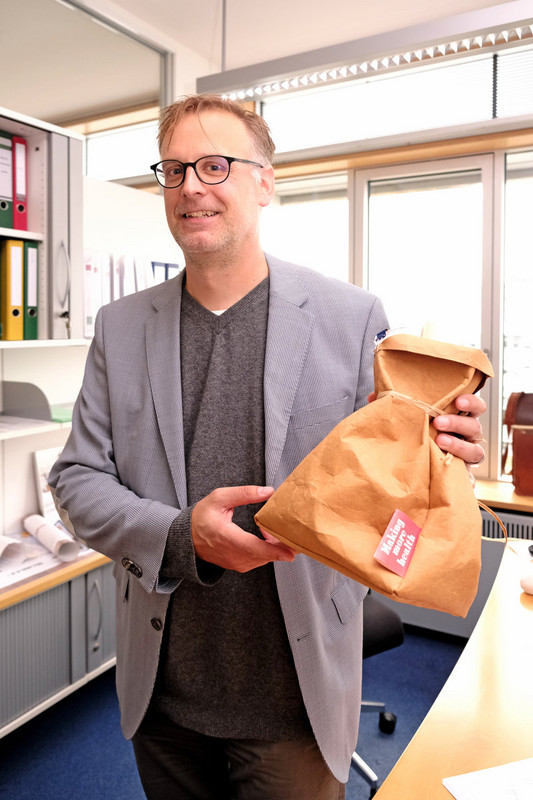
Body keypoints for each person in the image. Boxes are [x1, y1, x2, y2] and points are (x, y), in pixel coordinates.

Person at [48, 94, 486, 800]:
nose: (191, 185)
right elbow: (75, 480)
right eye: (174, 169)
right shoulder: (120, 326)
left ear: (264, 180)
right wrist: (180, 534)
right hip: (164, 691)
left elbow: (389, 471)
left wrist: (443, 448)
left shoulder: (351, 318)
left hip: (293, 694)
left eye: (215, 165)